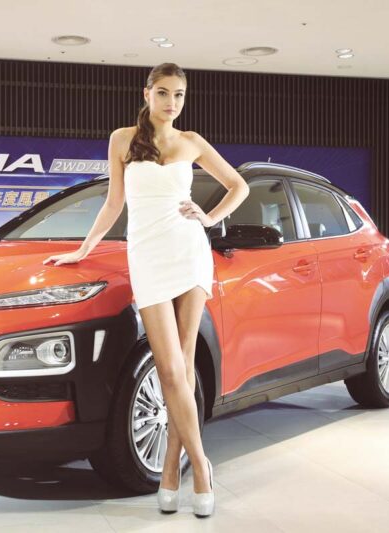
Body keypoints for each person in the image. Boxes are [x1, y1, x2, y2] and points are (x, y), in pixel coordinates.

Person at [43, 62, 250, 517]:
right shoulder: (122, 139)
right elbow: (114, 203)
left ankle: (175, 471)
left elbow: (239, 186)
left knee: (183, 367)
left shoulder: (191, 141)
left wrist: (209, 218)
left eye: (179, 95)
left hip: (189, 251)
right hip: (148, 256)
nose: (171, 102)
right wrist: (83, 250)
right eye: (163, 93)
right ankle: (200, 464)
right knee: (170, 371)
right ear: (147, 93)